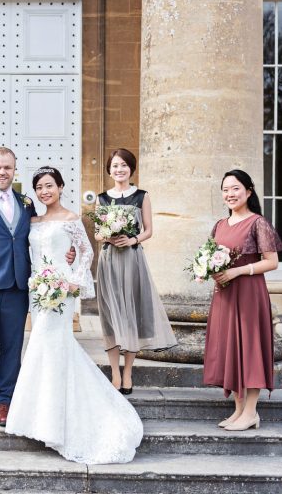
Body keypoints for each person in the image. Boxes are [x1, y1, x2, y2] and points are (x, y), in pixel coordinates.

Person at [6, 167, 143, 464]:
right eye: (40, 187)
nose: (45, 191)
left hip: (62, 290)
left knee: (54, 344)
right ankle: (37, 416)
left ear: (60, 187)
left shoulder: (71, 219)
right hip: (38, 290)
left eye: (49, 186)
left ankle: (55, 422)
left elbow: (86, 253)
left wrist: (72, 282)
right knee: (41, 346)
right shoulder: (32, 220)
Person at [0, 147, 74, 427]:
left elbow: (43, 237)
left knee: (12, 348)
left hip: (17, 288)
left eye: (7, 167)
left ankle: (5, 401)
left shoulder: (26, 203)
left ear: (14, 169)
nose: (2, 172)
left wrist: (69, 254)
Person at [204, 169, 282, 431]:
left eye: (235, 188)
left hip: (250, 293)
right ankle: (238, 410)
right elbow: (211, 257)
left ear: (248, 191)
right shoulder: (219, 225)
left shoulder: (258, 222)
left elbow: (272, 262)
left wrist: (238, 270)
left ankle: (251, 412)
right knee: (230, 349)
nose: (230, 194)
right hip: (225, 295)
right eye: (225, 189)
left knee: (250, 349)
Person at [94, 148, 177, 394]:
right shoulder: (102, 198)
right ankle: (114, 373)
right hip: (108, 260)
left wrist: (132, 240)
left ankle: (128, 371)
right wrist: (108, 237)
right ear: (109, 169)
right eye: (115, 165)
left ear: (131, 168)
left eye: (124, 165)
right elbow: (97, 233)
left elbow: (149, 230)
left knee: (131, 313)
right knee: (110, 316)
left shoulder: (141, 196)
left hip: (132, 258)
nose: (119, 170)